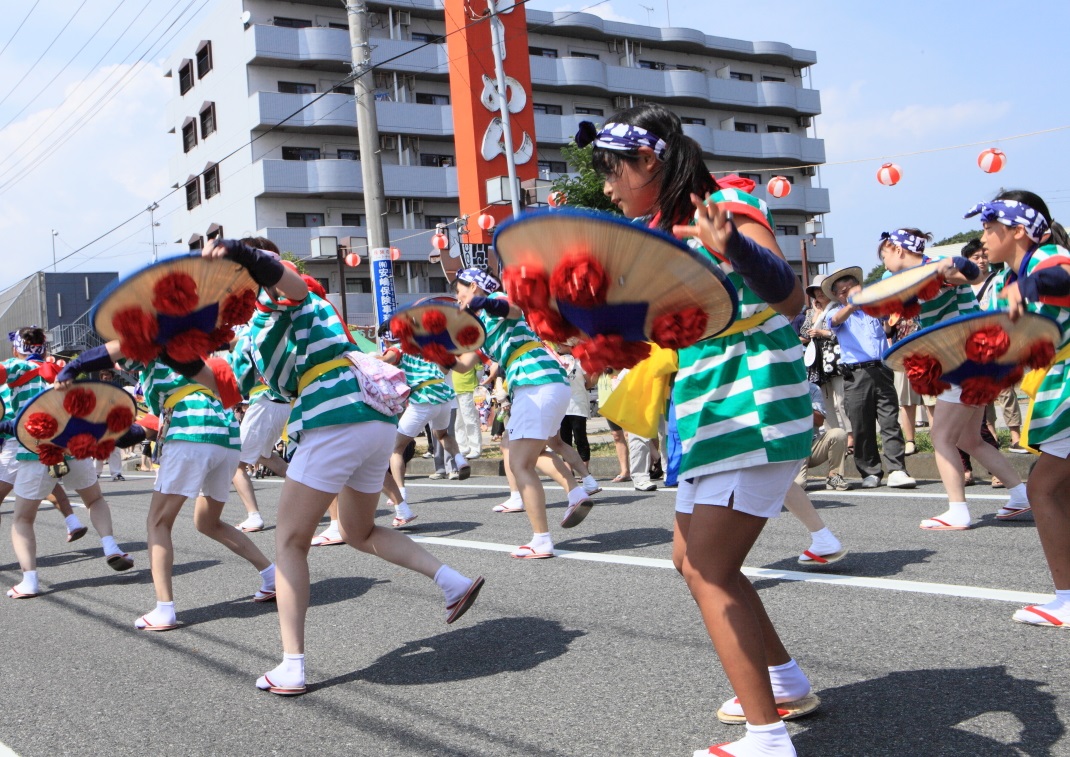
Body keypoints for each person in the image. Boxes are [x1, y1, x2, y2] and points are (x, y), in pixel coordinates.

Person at [585, 104, 815, 756]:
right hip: (711, 410)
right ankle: (785, 681)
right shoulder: (655, 235)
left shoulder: (729, 201)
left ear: (647, 161)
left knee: (712, 567)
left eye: (612, 172)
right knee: (691, 560)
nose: (608, 187)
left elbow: (791, 298)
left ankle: (767, 736)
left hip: (755, 405)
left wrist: (733, 244)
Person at [205, 237, 483, 694]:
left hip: (333, 415)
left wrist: (249, 258)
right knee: (360, 531)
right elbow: (235, 377)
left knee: (290, 541)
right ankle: (452, 582)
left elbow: (289, 285)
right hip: (372, 418)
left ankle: (292, 666)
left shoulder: (276, 295)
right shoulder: (269, 319)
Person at [58, 336, 277, 627]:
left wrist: (70, 369)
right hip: (225, 436)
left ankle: (164, 609)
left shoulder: (150, 341)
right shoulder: (191, 347)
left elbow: (110, 349)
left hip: (190, 432)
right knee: (208, 522)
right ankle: (272, 576)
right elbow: (147, 430)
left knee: (158, 523)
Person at [965, 190, 1070, 626]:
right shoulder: (1013, 276)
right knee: (1058, 490)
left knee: (1042, 489)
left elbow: (1064, 280)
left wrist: (1025, 286)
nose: (984, 238)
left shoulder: (1047, 258)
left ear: (1018, 232)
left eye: (990, 229)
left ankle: (1066, 598)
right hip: (1056, 384)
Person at [878, 228, 1027, 529]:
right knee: (968, 439)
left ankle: (958, 509)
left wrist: (946, 271)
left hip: (962, 356)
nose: (883, 262)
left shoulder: (938, 264)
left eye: (884, 254)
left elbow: (968, 277)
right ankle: (1022, 494)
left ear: (898, 250)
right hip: (980, 357)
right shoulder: (907, 275)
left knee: (941, 437)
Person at [451, 268, 593, 558]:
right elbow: (464, 364)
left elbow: (512, 310)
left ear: (475, 287)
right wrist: (433, 353)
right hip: (543, 384)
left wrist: (484, 302)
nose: (457, 296)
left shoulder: (495, 300)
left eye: (459, 290)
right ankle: (576, 492)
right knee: (539, 452)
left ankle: (541, 539)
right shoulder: (478, 327)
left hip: (535, 382)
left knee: (519, 463)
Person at [4, 328, 134, 599]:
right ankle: (110, 546)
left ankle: (29, 581)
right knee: (95, 500)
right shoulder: (60, 366)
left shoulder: (14, 367)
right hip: (73, 445)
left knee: (23, 519)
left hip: (35, 449)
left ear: (19, 348)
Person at [825, 268, 917, 489]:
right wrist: (852, 304)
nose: (847, 293)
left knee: (889, 421)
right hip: (856, 373)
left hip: (882, 368)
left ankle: (897, 469)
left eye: (851, 288)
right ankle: (870, 471)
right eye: (842, 292)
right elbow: (836, 320)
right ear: (838, 297)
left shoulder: (874, 309)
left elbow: (891, 319)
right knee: (861, 425)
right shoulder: (836, 312)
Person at [380, 347, 470, 526]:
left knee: (395, 449)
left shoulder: (399, 349)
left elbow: (385, 360)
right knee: (442, 434)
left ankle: (401, 493)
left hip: (423, 398)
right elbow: (447, 368)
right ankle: (460, 460)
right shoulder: (432, 348)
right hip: (444, 397)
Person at [229, 324, 293, 533]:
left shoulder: (251, 328)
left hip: (264, 402)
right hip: (280, 402)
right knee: (266, 456)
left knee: (236, 464)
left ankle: (253, 516)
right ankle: (313, 496)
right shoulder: (273, 330)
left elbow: (235, 345)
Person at [799, 275, 852, 451]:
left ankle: (850, 436)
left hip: (835, 359)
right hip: (818, 362)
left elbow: (842, 333)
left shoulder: (838, 308)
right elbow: (805, 332)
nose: (818, 293)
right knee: (826, 403)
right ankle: (834, 440)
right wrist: (815, 313)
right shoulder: (813, 311)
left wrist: (822, 332)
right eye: (815, 290)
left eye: (822, 289)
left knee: (841, 401)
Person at [796, 382, 850, 493]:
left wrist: (800, 402)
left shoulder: (812, 388)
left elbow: (819, 421)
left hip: (812, 444)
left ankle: (834, 476)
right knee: (798, 485)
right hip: (793, 449)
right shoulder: (777, 391)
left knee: (838, 434)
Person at [452, 362, 485, 460]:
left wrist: (474, 384)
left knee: (470, 420)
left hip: (468, 390)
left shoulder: (471, 352)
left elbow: (480, 371)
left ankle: (475, 448)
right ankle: (463, 447)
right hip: (454, 391)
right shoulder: (453, 352)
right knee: (458, 421)